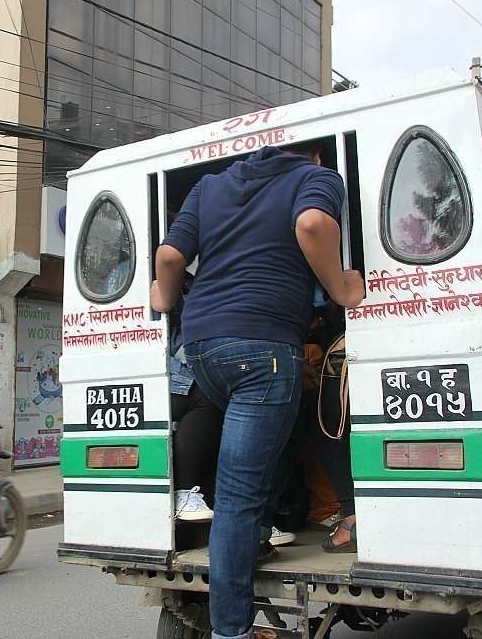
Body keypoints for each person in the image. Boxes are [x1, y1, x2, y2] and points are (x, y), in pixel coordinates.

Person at [150, 141, 365, 639]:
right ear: (315, 154)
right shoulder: (318, 177)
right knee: (238, 498)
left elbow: (169, 255)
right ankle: (232, 631)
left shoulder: (209, 187)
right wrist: (341, 289)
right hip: (262, 348)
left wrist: (163, 296)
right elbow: (313, 225)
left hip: (204, 348)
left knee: (285, 433)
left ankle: (259, 532)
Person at [170, 271, 224, 522]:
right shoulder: (171, 278)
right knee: (207, 402)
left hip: (189, 370)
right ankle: (186, 492)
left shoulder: (192, 280)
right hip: (175, 374)